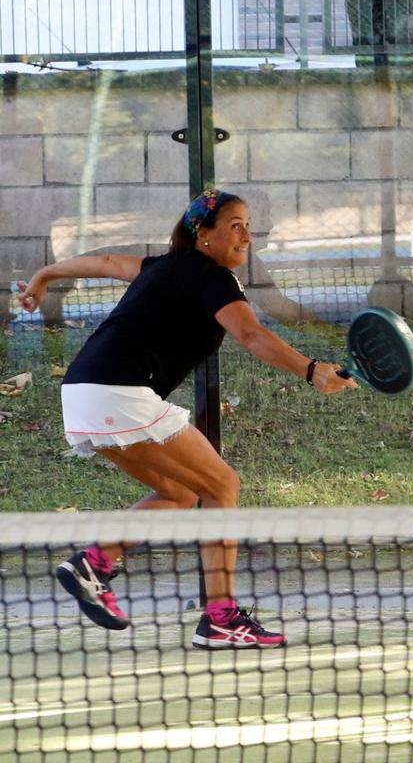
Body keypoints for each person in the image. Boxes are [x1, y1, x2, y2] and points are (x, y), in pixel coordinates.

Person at [16, 188, 358, 649]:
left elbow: (106, 261)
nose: (246, 236)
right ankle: (220, 617)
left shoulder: (159, 267)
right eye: (235, 225)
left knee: (179, 492)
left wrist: (45, 274)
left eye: (248, 225)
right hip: (120, 391)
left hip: (83, 392)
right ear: (204, 234)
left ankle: (95, 564)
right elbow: (251, 335)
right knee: (222, 486)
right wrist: (312, 370)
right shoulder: (211, 277)